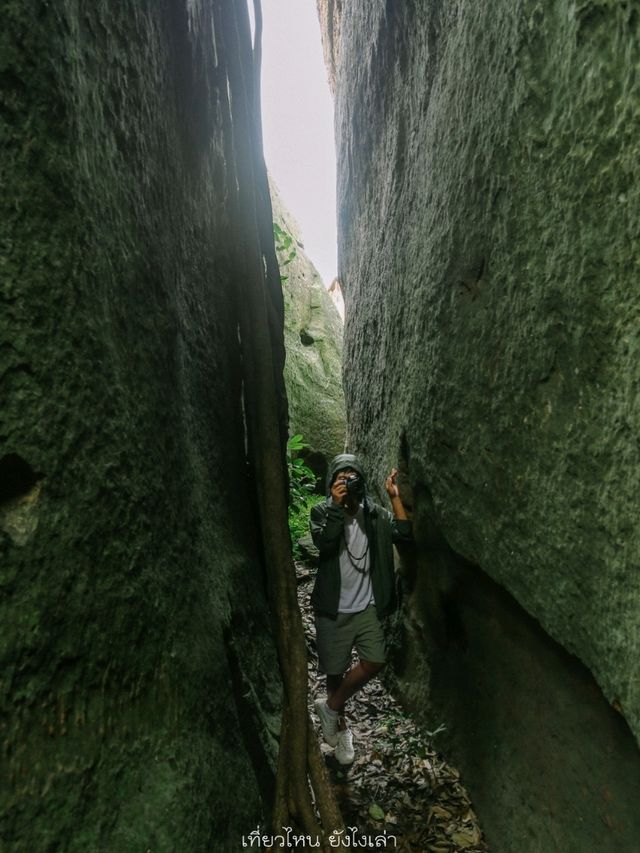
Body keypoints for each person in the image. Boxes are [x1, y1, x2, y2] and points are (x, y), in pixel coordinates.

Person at [309, 453, 412, 765]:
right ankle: (339, 728)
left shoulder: (375, 515)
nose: (347, 482)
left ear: (361, 482)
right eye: (341, 477)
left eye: (352, 477)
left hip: (365, 606)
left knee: (375, 660)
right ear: (332, 484)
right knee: (334, 670)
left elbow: (404, 534)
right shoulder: (321, 511)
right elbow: (324, 543)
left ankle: (329, 708)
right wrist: (336, 508)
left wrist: (394, 497)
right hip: (333, 608)